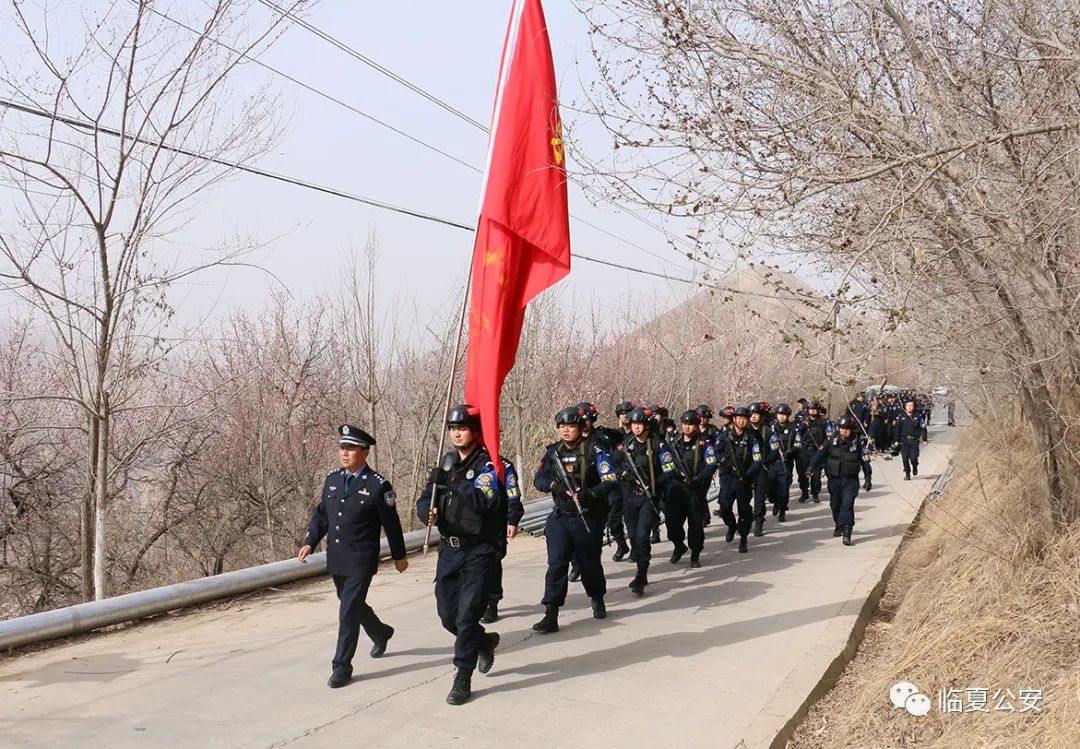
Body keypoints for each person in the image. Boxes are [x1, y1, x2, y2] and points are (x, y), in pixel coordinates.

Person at [298, 424, 408, 689]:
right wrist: (310, 541)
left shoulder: (377, 486)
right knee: (351, 604)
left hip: (361, 559)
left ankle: (341, 666)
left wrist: (399, 555)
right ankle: (380, 632)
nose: (344, 453)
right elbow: (322, 515)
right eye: (342, 448)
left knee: (347, 611)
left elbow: (391, 524)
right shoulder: (333, 479)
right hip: (337, 557)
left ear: (364, 452)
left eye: (350, 448)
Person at [416, 405, 508, 706]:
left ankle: (462, 674)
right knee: (448, 616)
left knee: (467, 617)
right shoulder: (445, 463)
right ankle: (484, 641)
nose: (456, 433)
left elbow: (484, 501)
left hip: (478, 551)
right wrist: (424, 511)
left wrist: (454, 480)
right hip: (449, 550)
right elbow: (426, 496)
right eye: (453, 428)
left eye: (463, 428)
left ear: (475, 432)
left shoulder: (487, 466)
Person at [531, 406, 619, 633]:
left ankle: (597, 597)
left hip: (587, 515)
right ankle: (551, 613)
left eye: (571, 426)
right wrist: (555, 486)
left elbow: (610, 479)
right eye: (562, 427)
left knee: (589, 563)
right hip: (561, 517)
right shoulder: (553, 452)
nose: (566, 431)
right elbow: (539, 479)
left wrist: (589, 493)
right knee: (556, 565)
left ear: (581, 428)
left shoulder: (595, 449)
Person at [614, 406, 676, 595]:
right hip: (630, 497)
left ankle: (641, 574)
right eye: (634, 424)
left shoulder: (658, 444)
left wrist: (653, 483)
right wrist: (624, 474)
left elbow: (669, 469)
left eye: (640, 424)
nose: (637, 427)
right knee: (633, 536)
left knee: (642, 536)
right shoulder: (626, 444)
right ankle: (642, 570)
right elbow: (612, 466)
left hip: (650, 497)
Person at [809, 415, 872, 546]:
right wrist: (810, 468)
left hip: (850, 480)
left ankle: (847, 532)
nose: (844, 431)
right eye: (842, 428)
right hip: (834, 479)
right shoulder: (831, 441)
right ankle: (839, 524)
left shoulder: (858, 443)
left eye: (847, 429)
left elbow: (865, 462)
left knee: (847, 505)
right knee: (835, 505)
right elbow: (819, 455)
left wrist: (868, 478)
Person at [666, 410, 718, 567]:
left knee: (695, 526)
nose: (687, 427)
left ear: (696, 426)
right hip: (676, 490)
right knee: (672, 524)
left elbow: (711, 464)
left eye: (691, 425)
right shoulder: (674, 443)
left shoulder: (704, 443)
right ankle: (679, 546)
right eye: (685, 424)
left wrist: (698, 479)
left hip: (695, 490)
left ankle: (695, 554)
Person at [481, 454, 523, 624]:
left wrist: (513, 520)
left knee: (492, 562)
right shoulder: (457, 462)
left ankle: (491, 601)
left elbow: (513, 494)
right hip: (467, 526)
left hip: (494, 524)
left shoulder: (502, 466)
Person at [716, 407, 762, 553]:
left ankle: (743, 538)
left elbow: (757, 460)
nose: (741, 420)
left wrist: (747, 474)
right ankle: (731, 526)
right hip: (728, 478)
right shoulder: (724, 436)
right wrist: (723, 461)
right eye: (739, 418)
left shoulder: (753, 437)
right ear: (734, 419)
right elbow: (715, 454)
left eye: (744, 418)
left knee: (744, 510)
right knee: (724, 507)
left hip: (744, 479)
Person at [796, 401, 832, 503]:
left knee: (816, 474)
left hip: (818, 451)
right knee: (802, 474)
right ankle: (804, 492)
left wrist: (823, 447)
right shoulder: (803, 421)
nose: (813, 411)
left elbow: (829, 436)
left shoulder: (824, 422)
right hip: (805, 450)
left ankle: (815, 493)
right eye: (811, 409)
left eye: (815, 409)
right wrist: (802, 426)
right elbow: (797, 435)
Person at [771, 404, 797, 522]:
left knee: (784, 487)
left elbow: (798, 443)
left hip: (786, 461)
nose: (782, 417)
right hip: (772, 461)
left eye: (784, 415)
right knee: (772, 486)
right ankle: (776, 503)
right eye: (780, 415)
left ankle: (782, 509)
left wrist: (790, 451)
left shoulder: (793, 428)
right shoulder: (771, 428)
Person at [894, 398, 925, 480]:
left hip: (914, 440)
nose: (910, 407)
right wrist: (896, 440)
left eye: (911, 405)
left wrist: (924, 439)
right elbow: (897, 429)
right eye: (908, 405)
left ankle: (915, 466)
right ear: (905, 406)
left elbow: (923, 428)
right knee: (905, 458)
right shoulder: (901, 416)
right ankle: (907, 473)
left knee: (913, 458)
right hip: (904, 440)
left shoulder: (918, 416)